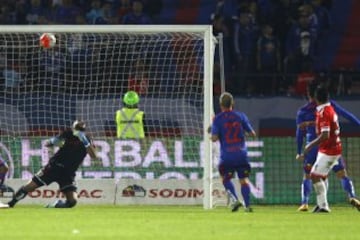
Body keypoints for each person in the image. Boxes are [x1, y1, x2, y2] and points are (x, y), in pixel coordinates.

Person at [296, 81, 360, 212]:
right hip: (332, 146)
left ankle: (306, 203)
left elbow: (300, 132)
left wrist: (301, 150)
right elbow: (348, 116)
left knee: (310, 175)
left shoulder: (304, 111)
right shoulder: (331, 106)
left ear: (310, 94)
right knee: (340, 174)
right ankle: (351, 196)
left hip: (322, 147)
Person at [7, 120, 97, 208]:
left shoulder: (87, 139)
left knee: (72, 202)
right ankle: (10, 204)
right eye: (76, 128)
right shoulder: (67, 134)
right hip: (53, 168)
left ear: (84, 130)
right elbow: (48, 143)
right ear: (73, 128)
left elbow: (94, 156)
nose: (77, 131)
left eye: (80, 129)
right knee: (29, 187)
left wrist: (85, 141)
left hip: (68, 173)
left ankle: (55, 205)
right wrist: (53, 141)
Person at [211, 92, 256, 212]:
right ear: (232, 104)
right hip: (241, 154)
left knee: (225, 178)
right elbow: (252, 134)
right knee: (244, 180)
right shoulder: (241, 116)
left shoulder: (217, 119)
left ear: (220, 105)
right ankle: (247, 206)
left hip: (227, 156)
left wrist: (212, 133)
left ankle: (235, 199)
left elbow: (214, 138)